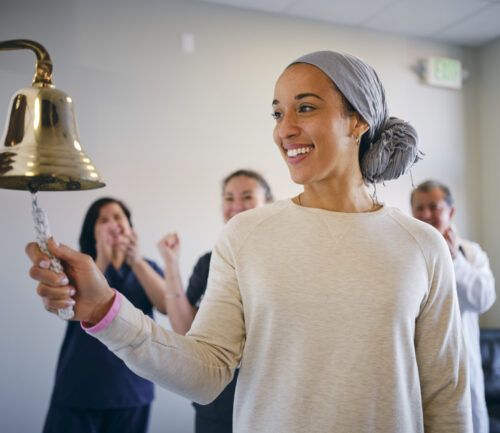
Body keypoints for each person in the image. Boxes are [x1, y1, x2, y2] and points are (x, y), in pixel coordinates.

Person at [27, 51, 472, 433]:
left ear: (357, 120)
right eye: (278, 113)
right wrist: (107, 309)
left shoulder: (421, 245)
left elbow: (446, 397)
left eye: (306, 108)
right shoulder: (247, 235)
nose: (285, 130)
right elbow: (206, 373)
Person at [157, 169, 273, 433]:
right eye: (229, 198)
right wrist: (171, 265)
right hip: (215, 406)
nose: (236, 206)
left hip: (269, 407)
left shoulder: (283, 261)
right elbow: (185, 330)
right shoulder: (209, 263)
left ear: (268, 203)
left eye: (247, 197)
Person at [41, 197, 168, 433]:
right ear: (93, 231)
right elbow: (71, 304)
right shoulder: (79, 268)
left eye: (118, 217)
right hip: (79, 386)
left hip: (133, 389)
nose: (113, 224)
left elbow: (166, 305)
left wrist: (136, 260)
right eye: (103, 220)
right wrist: (101, 259)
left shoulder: (147, 268)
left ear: (130, 227)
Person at [411, 180, 496, 433]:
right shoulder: (406, 254)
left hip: (464, 366)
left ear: (451, 211)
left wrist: (454, 261)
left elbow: (484, 299)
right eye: (419, 208)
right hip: (419, 367)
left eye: (433, 207)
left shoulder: (470, 253)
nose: (426, 215)